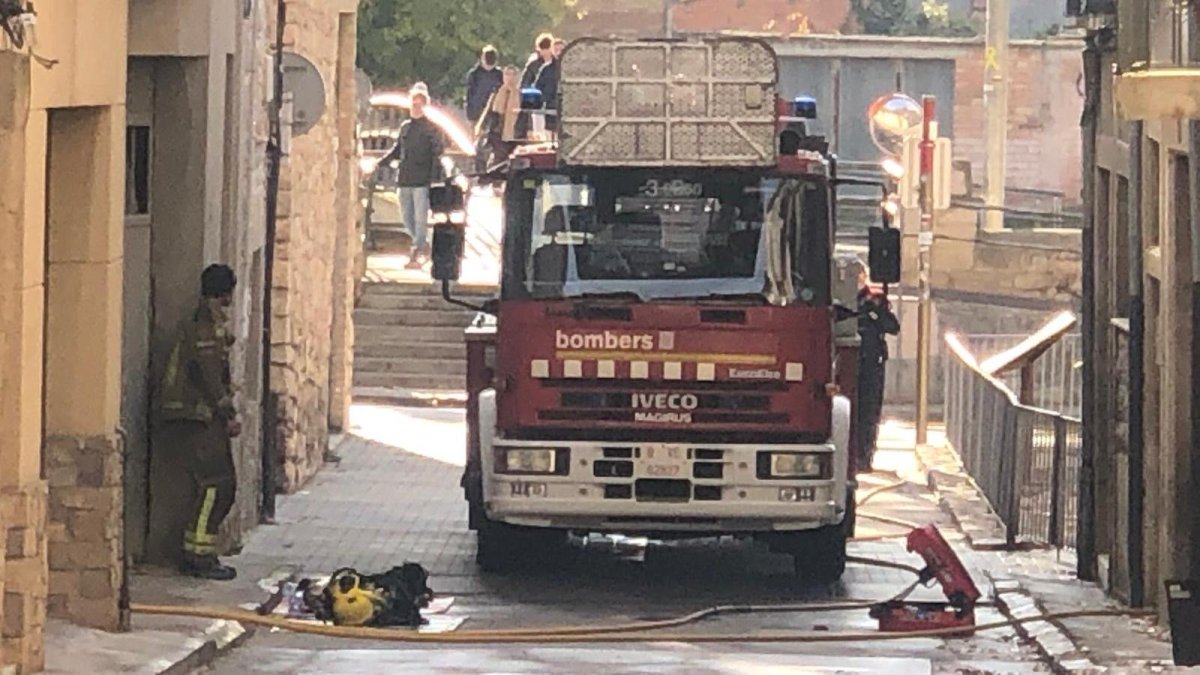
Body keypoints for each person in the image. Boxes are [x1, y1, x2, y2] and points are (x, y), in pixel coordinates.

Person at [160, 264, 242, 580]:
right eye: (228, 297)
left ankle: (202, 551)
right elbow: (209, 376)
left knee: (219, 485)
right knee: (216, 484)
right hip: (193, 416)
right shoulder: (204, 326)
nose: (229, 304)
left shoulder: (208, 323)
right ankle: (197, 556)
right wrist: (228, 414)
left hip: (198, 416)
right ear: (222, 295)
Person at [379, 82, 446, 269]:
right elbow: (397, 150)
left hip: (422, 180)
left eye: (419, 104)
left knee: (420, 218)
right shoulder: (406, 127)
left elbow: (439, 149)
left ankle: (417, 250)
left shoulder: (431, 129)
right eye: (413, 104)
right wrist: (379, 163)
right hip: (405, 178)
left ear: (425, 106)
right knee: (406, 217)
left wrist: (434, 170)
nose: (415, 108)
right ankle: (424, 245)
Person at [855, 276, 900, 470]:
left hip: (873, 365)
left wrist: (876, 311)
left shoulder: (877, 304)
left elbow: (893, 327)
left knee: (870, 414)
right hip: (852, 364)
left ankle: (865, 456)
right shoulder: (850, 301)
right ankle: (853, 455)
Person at [475, 65, 522, 171]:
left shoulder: (522, 95)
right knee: (497, 163)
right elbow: (489, 111)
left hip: (516, 135)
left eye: (513, 74)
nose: (510, 77)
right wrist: (482, 127)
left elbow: (526, 116)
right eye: (507, 74)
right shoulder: (497, 93)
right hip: (497, 134)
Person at [465, 45, 502, 126]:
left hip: (495, 114)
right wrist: (470, 115)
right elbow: (469, 95)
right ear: (482, 59)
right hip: (477, 113)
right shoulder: (474, 74)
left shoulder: (499, 74)